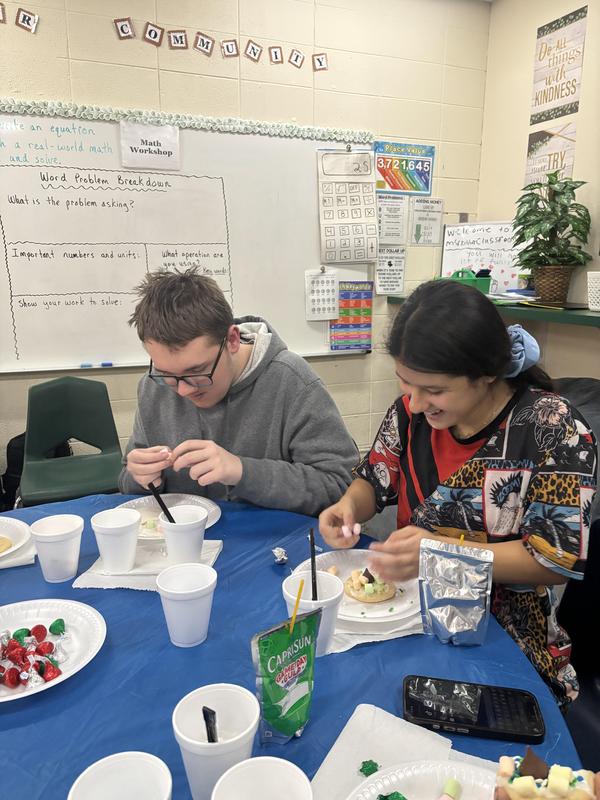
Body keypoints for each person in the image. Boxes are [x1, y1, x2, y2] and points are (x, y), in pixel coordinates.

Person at [319, 280, 597, 709]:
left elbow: (553, 560)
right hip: (407, 610)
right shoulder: (409, 416)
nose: (414, 403)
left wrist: (438, 549)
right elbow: (374, 480)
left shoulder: (551, 428)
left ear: (486, 374)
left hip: (503, 636)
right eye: (405, 383)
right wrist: (348, 507)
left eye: (434, 390)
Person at [119, 268, 358, 517]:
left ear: (232, 340)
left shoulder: (292, 381)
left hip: (272, 545)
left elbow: (341, 487)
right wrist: (141, 478)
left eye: (197, 371)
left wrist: (242, 471)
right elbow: (127, 481)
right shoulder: (152, 386)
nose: (183, 390)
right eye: (167, 374)